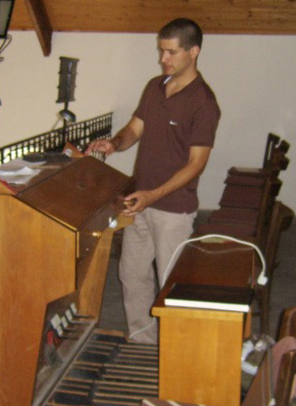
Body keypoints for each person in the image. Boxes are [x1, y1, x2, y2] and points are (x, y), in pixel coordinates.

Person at [86, 18, 221, 343]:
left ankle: (175, 350)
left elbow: (196, 164)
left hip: (173, 210)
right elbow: (135, 129)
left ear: (193, 52)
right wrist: (114, 144)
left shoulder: (204, 103)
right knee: (131, 274)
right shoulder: (154, 87)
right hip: (139, 204)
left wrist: (153, 195)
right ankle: (143, 342)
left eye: (171, 52)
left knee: (170, 284)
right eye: (162, 51)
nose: (163, 59)